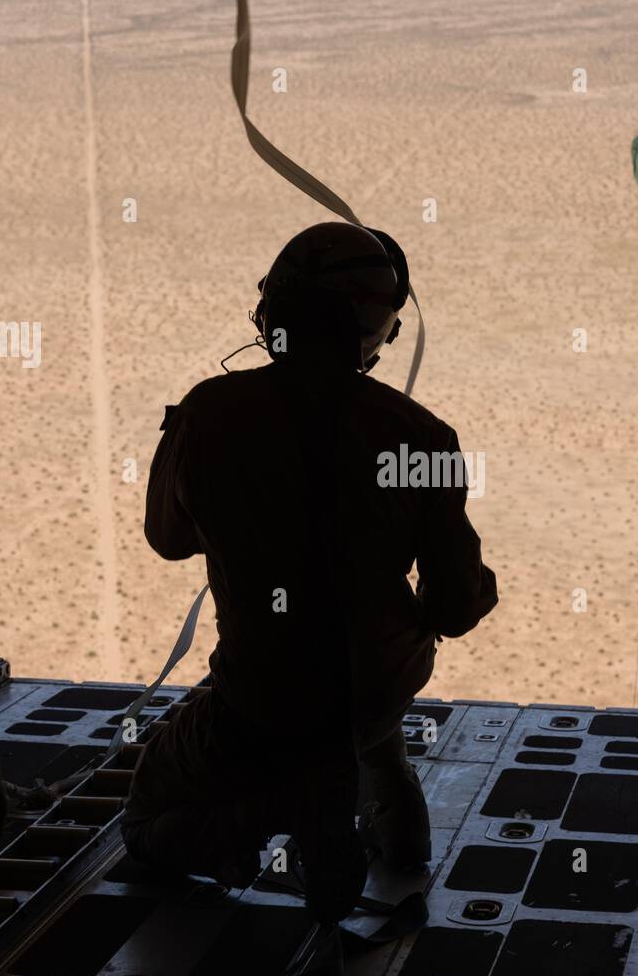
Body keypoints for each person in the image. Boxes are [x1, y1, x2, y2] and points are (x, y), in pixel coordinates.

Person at [122, 222, 498, 927]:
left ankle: (287, 808)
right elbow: (451, 608)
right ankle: (388, 841)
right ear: (376, 330)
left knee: (145, 825)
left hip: (264, 691)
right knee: (371, 732)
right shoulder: (423, 436)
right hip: (376, 685)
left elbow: (166, 541)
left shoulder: (210, 412)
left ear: (274, 313)